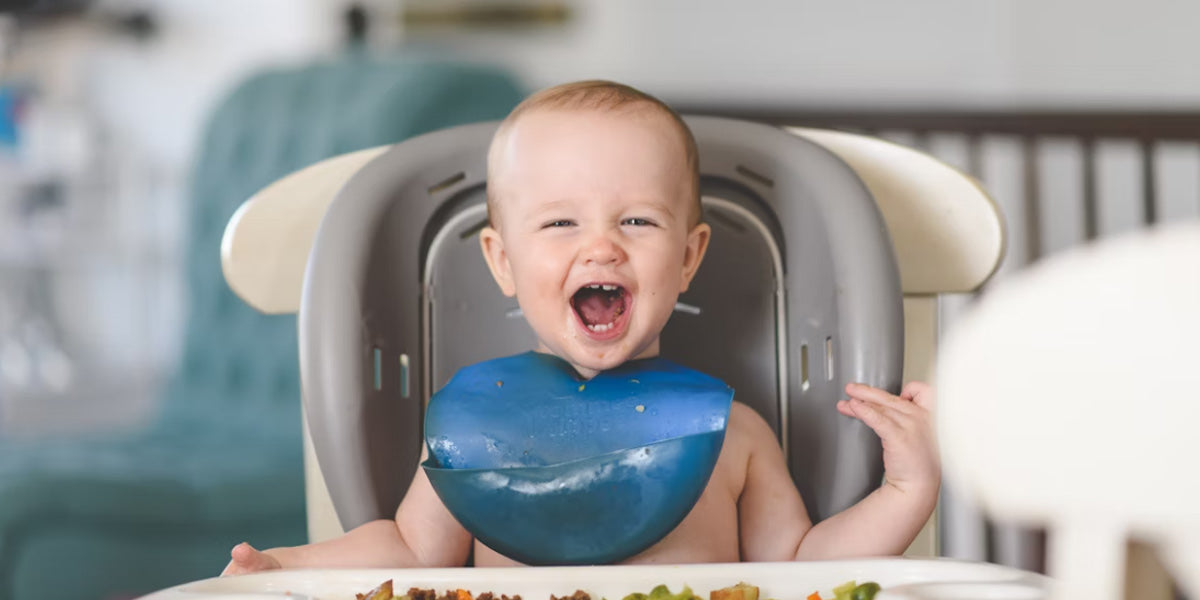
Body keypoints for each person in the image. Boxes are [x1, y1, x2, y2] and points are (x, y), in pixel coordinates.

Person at [223, 80, 939, 573]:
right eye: (561, 223)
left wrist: (905, 493)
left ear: (689, 258)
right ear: (502, 263)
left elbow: (800, 567)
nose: (601, 246)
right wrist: (288, 564)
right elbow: (411, 551)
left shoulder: (734, 434)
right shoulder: (474, 430)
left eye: (637, 220)